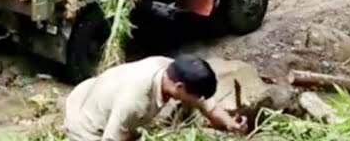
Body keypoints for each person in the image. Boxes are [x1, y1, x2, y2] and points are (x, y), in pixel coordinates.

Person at [64, 54, 249, 141]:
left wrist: (230, 123)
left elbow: (209, 105)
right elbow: (111, 139)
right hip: (86, 126)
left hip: (94, 95)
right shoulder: (135, 102)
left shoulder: (171, 69)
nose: (196, 100)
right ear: (179, 87)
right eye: (194, 96)